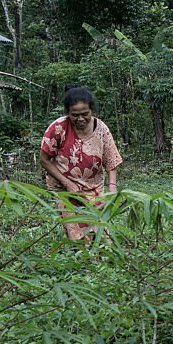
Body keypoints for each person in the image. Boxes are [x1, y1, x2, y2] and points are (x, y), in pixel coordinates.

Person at [40, 86, 123, 241]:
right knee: (76, 232)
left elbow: (111, 160)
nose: (80, 119)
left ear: (92, 110)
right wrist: (66, 182)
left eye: (85, 114)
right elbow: (44, 159)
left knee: (100, 232)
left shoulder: (101, 129)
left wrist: (112, 186)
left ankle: (101, 260)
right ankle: (83, 261)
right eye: (75, 115)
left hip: (93, 187)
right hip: (64, 187)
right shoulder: (58, 128)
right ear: (67, 113)